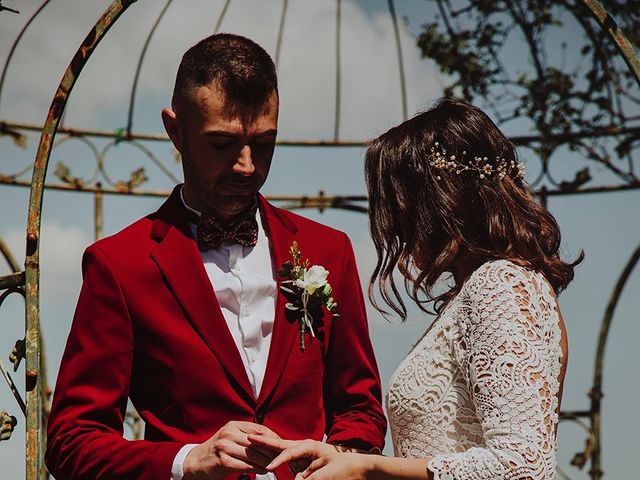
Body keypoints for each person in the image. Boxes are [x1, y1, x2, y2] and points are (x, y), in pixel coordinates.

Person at [45, 33, 386, 480]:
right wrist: (187, 460)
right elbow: (72, 443)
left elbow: (360, 407)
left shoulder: (329, 250)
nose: (247, 165)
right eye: (222, 145)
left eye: (263, 144)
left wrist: (337, 460)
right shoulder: (120, 264)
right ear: (175, 131)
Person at [249, 98, 582, 480]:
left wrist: (370, 467)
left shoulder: (500, 285)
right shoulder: (484, 288)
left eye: (399, 207)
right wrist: (337, 457)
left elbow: (522, 467)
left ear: (441, 201)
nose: (395, 230)